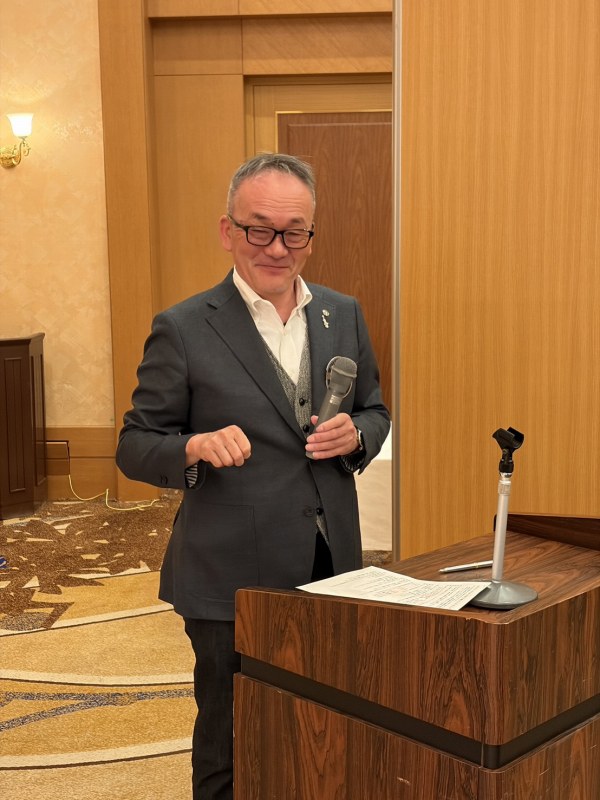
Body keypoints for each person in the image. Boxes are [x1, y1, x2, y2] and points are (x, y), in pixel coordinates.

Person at [116, 153, 390, 800]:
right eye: (259, 229)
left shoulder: (342, 313)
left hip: (329, 560)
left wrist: (357, 435)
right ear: (228, 230)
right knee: (230, 735)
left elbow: (374, 410)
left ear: (311, 235)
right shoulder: (184, 328)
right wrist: (194, 446)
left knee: (321, 724)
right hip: (228, 572)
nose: (277, 247)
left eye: (294, 232)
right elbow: (134, 445)